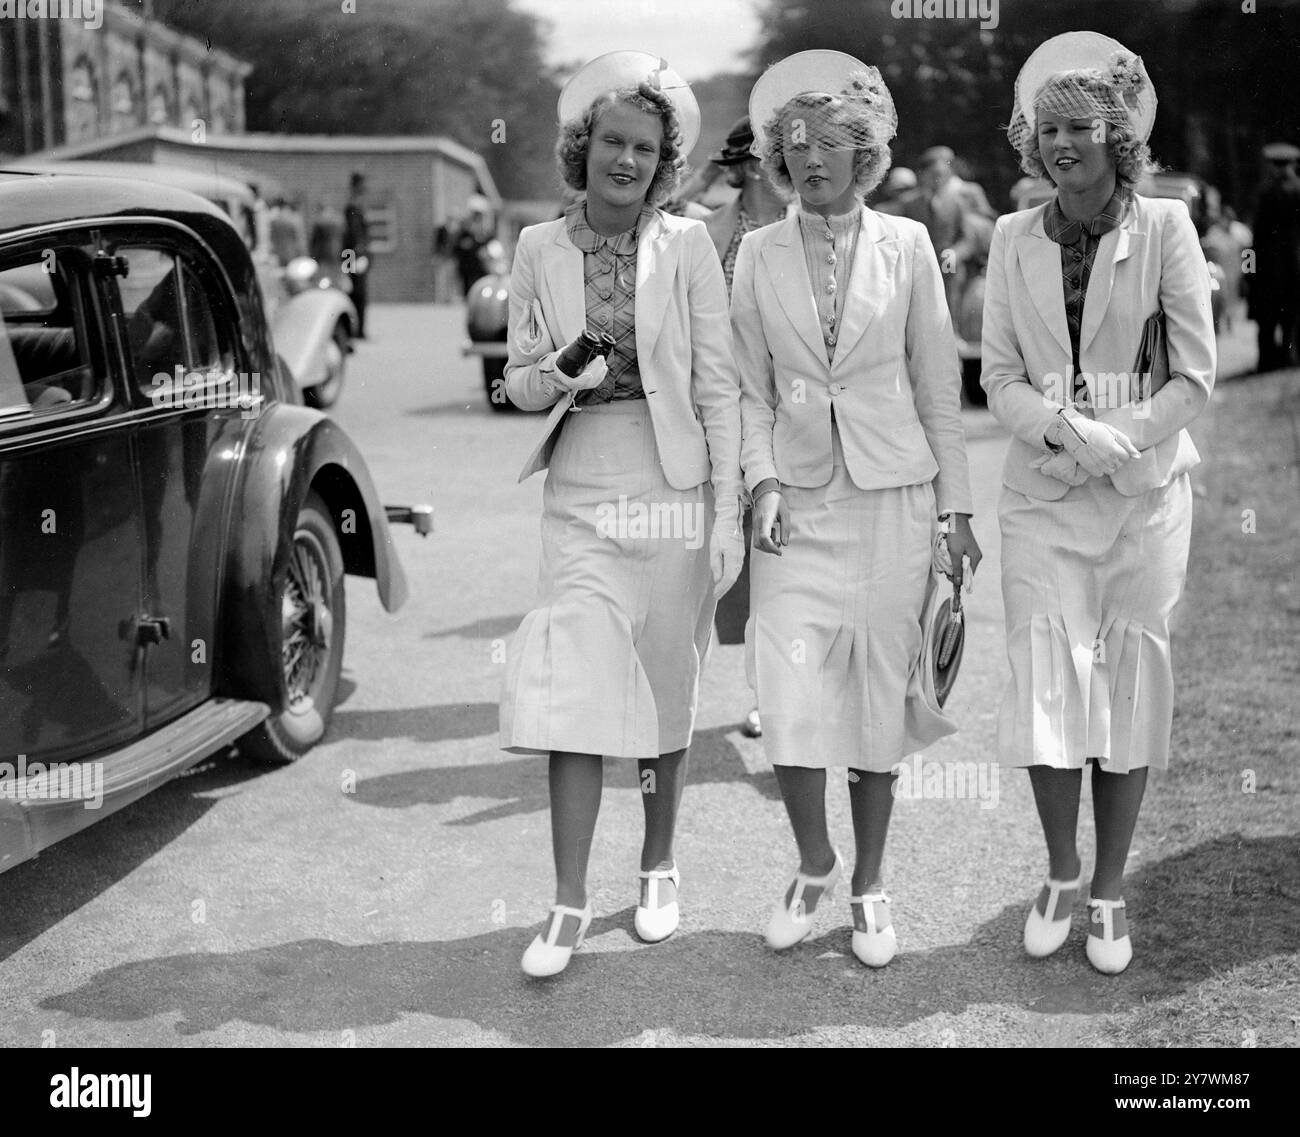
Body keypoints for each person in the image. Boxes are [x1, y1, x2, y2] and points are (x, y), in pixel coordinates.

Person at [731, 51, 980, 969]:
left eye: (833, 143)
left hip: (893, 500)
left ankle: (870, 882)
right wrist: (758, 484)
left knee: (879, 693)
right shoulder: (755, 254)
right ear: (777, 157)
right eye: (794, 144)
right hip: (794, 502)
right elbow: (747, 394)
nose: (812, 159)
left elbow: (937, 389)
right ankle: (813, 862)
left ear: (868, 153)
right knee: (787, 689)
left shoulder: (908, 246)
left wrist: (956, 512)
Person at [498, 51, 743, 978]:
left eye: (645, 148)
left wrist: (724, 514)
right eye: (612, 142)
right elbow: (518, 386)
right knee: (572, 684)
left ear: (663, 161)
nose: (627, 161)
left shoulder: (686, 247)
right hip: (582, 482)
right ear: (582, 147)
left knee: (663, 683)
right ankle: (565, 901)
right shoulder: (535, 248)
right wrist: (557, 372)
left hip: (674, 479)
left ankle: (658, 864)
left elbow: (716, 384)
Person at [983, 32, 1216, 975]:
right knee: (1047, 676)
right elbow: (997, 375)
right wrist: (1054, 429)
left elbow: (1194, 376)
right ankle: (1062, 872)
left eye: (1083, 126)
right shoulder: (1009, 237)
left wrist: (1120, 435)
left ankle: (1113, 889)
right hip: (1042, 494)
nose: (1064, 143)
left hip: (1143, 494)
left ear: (1118, 137)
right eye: (1049, 129)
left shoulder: (1166, 229)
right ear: (1030, 142)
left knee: (1124, 681)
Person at [703, 115, 790, 739]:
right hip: (726, 412)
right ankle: (767, 690)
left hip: (795, 409)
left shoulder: (805, 225)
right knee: (749, 557)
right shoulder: (709, 232)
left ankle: (784, 692)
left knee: (792, 556)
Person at [1249, 142, 1300, 371]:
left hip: (1267, 269)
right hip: (1295, 265)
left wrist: (1247, 270)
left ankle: (1267, 361)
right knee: (1292, 316)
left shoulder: (1265, 192)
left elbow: (1255, 237)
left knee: (1267, 319)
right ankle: (1291, 358)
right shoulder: (1298, 189)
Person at [342, 172, 371, 338]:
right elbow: (355, 234)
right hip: (352, 254)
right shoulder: (353, 205)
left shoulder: (356, 204)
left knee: (356, 291)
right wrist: (360, 255)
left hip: (352, 254)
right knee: (356, 292)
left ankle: (357, 330)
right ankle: (356, 330)